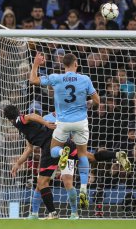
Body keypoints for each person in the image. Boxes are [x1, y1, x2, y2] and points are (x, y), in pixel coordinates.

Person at [4, 105, 130, 219]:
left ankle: (55, 213)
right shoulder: (28, 130)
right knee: (90, 158)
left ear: (8, 119)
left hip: (50, 146)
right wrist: (18, 163)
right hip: (62, 140)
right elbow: (28, 149)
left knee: (43, 182)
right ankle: (117, 154)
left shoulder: (19, 120)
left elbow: (31, 116)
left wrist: (46, 123)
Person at [30, 52, 100, 208]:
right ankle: (83, 188)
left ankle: (63, 153)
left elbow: (33, 80)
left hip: (63, 122)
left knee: (54, 148)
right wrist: (88, 104)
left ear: (63, 65)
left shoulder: (56, 78)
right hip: (81, 122)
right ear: (76, 64)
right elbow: (97, 101)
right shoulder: (85, 79)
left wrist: (36, 63)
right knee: (82, 154)